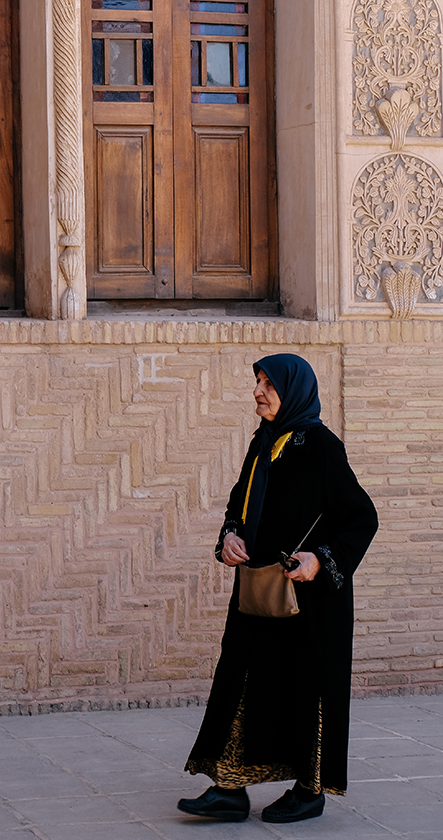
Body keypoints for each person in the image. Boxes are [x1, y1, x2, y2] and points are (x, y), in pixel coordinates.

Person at [177, 353, 378, 824]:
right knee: (240, 678)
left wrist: (320, 560)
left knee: (306, 687)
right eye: (258, 382)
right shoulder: (264, 442)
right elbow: (238, 505)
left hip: (309, 600)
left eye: (269, 383)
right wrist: (228, 537)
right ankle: (228, 787)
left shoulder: (322, 448)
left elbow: (361, 517)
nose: (258, 391)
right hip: (258, 590)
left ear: (295, 391)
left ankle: (309, 791)